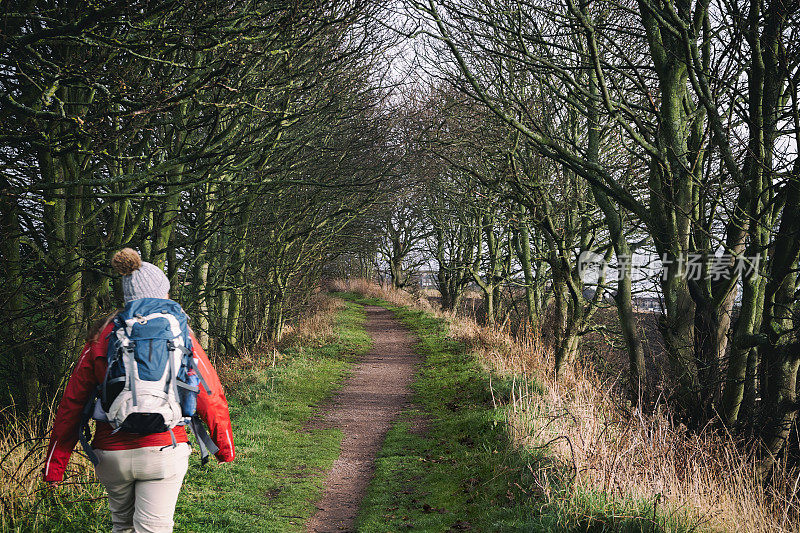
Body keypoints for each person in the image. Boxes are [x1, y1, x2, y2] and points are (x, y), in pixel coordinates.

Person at [43, 248, 235, 533]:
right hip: (164, 448)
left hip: (112, 454)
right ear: (163, 294)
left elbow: (72, 402)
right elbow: (210, 393)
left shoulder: (103, 335)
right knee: (154, 528)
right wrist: (224, 446)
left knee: (122, 526)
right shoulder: (179, 334)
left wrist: (55, 464)